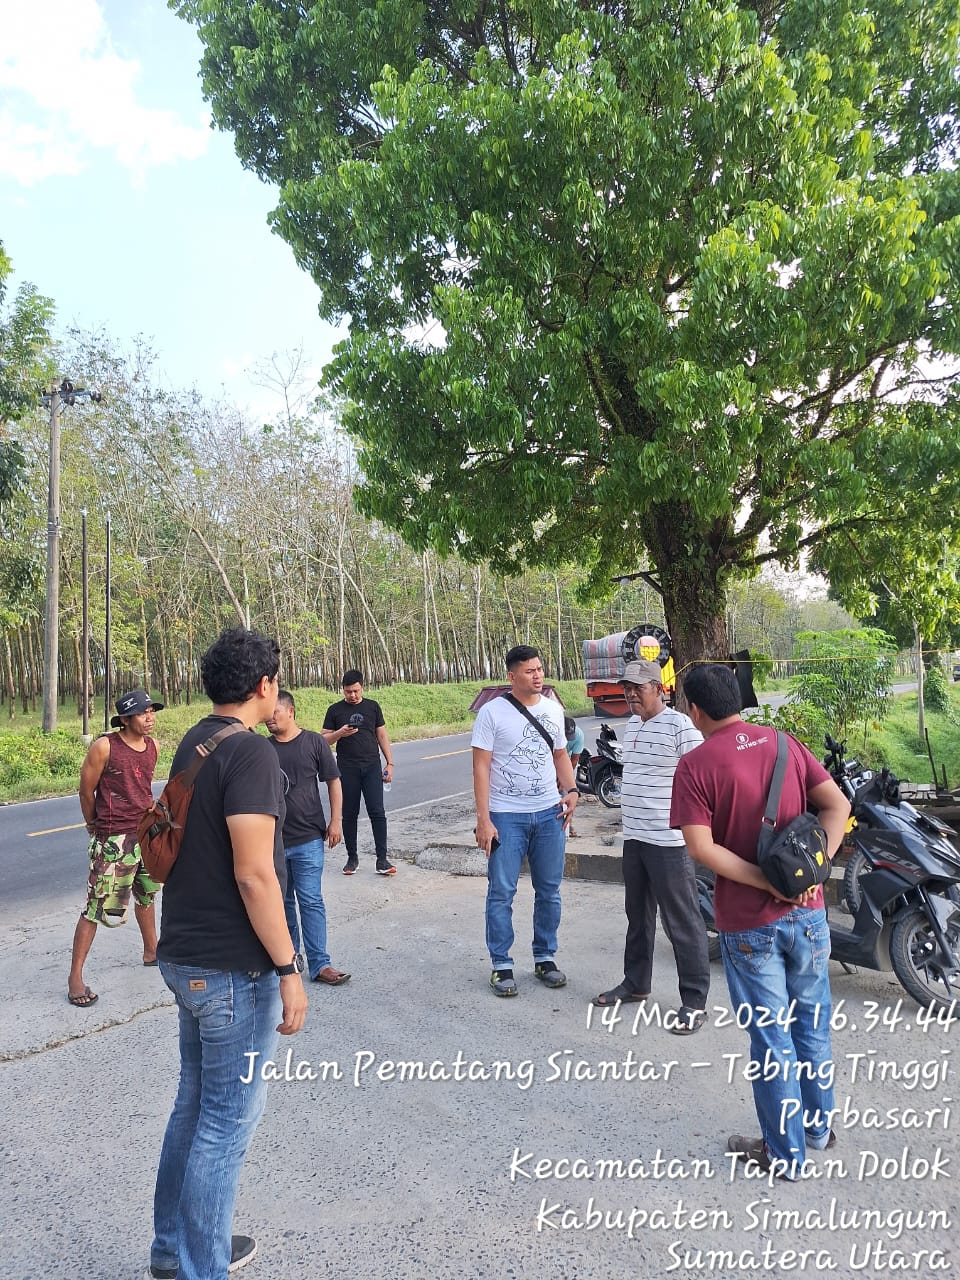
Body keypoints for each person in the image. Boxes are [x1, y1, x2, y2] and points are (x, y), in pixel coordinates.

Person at [147, 627, 308, 1280]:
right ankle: (200, 1266)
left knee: (193, 1108)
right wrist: (289, 968)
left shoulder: (196, 740)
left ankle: (174, 1250)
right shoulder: (252, 754)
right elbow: (255, 875)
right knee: (225, 1124)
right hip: (231, 970)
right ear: (265, 686)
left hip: (185, 956)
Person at [670, 663, 850, 1180]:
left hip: (749, 924)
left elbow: (700, 848)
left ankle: (785, 1154)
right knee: (811, 1026)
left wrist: (765, 883)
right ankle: (817, 1130)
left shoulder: (696, 765)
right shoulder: (784, 744)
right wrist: (813, 872)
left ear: (695, 710)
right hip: (809, 915)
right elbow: (837, 806)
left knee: (772, 1040)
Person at [592, 660, 710, 1033]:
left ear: (659, 689)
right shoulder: (633, 725)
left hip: (669, 842)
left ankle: (694, 1001)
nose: (631, 695)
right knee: (638, 916)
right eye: (627, 688)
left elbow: (703, 774)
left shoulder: (679, 725)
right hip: (635, 837)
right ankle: (636, 983)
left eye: (638, 688)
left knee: (682, 921)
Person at [472, 645, 578, 997]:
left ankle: (545, 957)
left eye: (540, 669)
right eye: (529, 670)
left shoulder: (552, 709)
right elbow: (481, 767)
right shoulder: (491, 713)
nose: (537, 675)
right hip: (506, 816)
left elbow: (560, 754)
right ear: (512, 676)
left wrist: (572, 790)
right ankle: (501, 964)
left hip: (550, 813)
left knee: (549, 890)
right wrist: (484, 819)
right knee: (501, 892)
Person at [67, 688, 163, 1007]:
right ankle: (75, 977)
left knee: (146, 895)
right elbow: (86, 791)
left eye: (151, 711)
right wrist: (93, 825)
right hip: (114, 839)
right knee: (96, 906)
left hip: (145, 834)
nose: (149, 717)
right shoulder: (105, 746)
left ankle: (152, 951)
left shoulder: (153, 746)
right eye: (141, 713)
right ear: (125, 719)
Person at [267, 689, 350, 986]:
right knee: (282, 904)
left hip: (308, 838)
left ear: (290, 712)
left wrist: (336, 821)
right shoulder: (263, 749)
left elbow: (333, 781)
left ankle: (320, 964)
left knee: (311, 900)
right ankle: (289, 964)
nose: (269, 719)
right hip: (274, 842)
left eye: (275, 713)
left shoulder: (314, 742)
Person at [322, 669, 396, 875]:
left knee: (377, 812)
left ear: (362, 687)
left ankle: (382, 859)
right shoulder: (335, 710)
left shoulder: (372, 707)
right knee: (349, 814)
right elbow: (324, 739)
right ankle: (352, 858)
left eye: (355, 691)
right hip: (347, 768)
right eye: (348, 692)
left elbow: (381, 735)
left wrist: (390, 763)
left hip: (372, 766)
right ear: (343, 690)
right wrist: (340, 733)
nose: (352, 695)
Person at [563, 716, 585, 838]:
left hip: (569, 762)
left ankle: (569, 824)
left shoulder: (579, 735)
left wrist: (565, 779)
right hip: (551, 761)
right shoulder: (552, 732)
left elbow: (574, 760)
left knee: (570, 794)